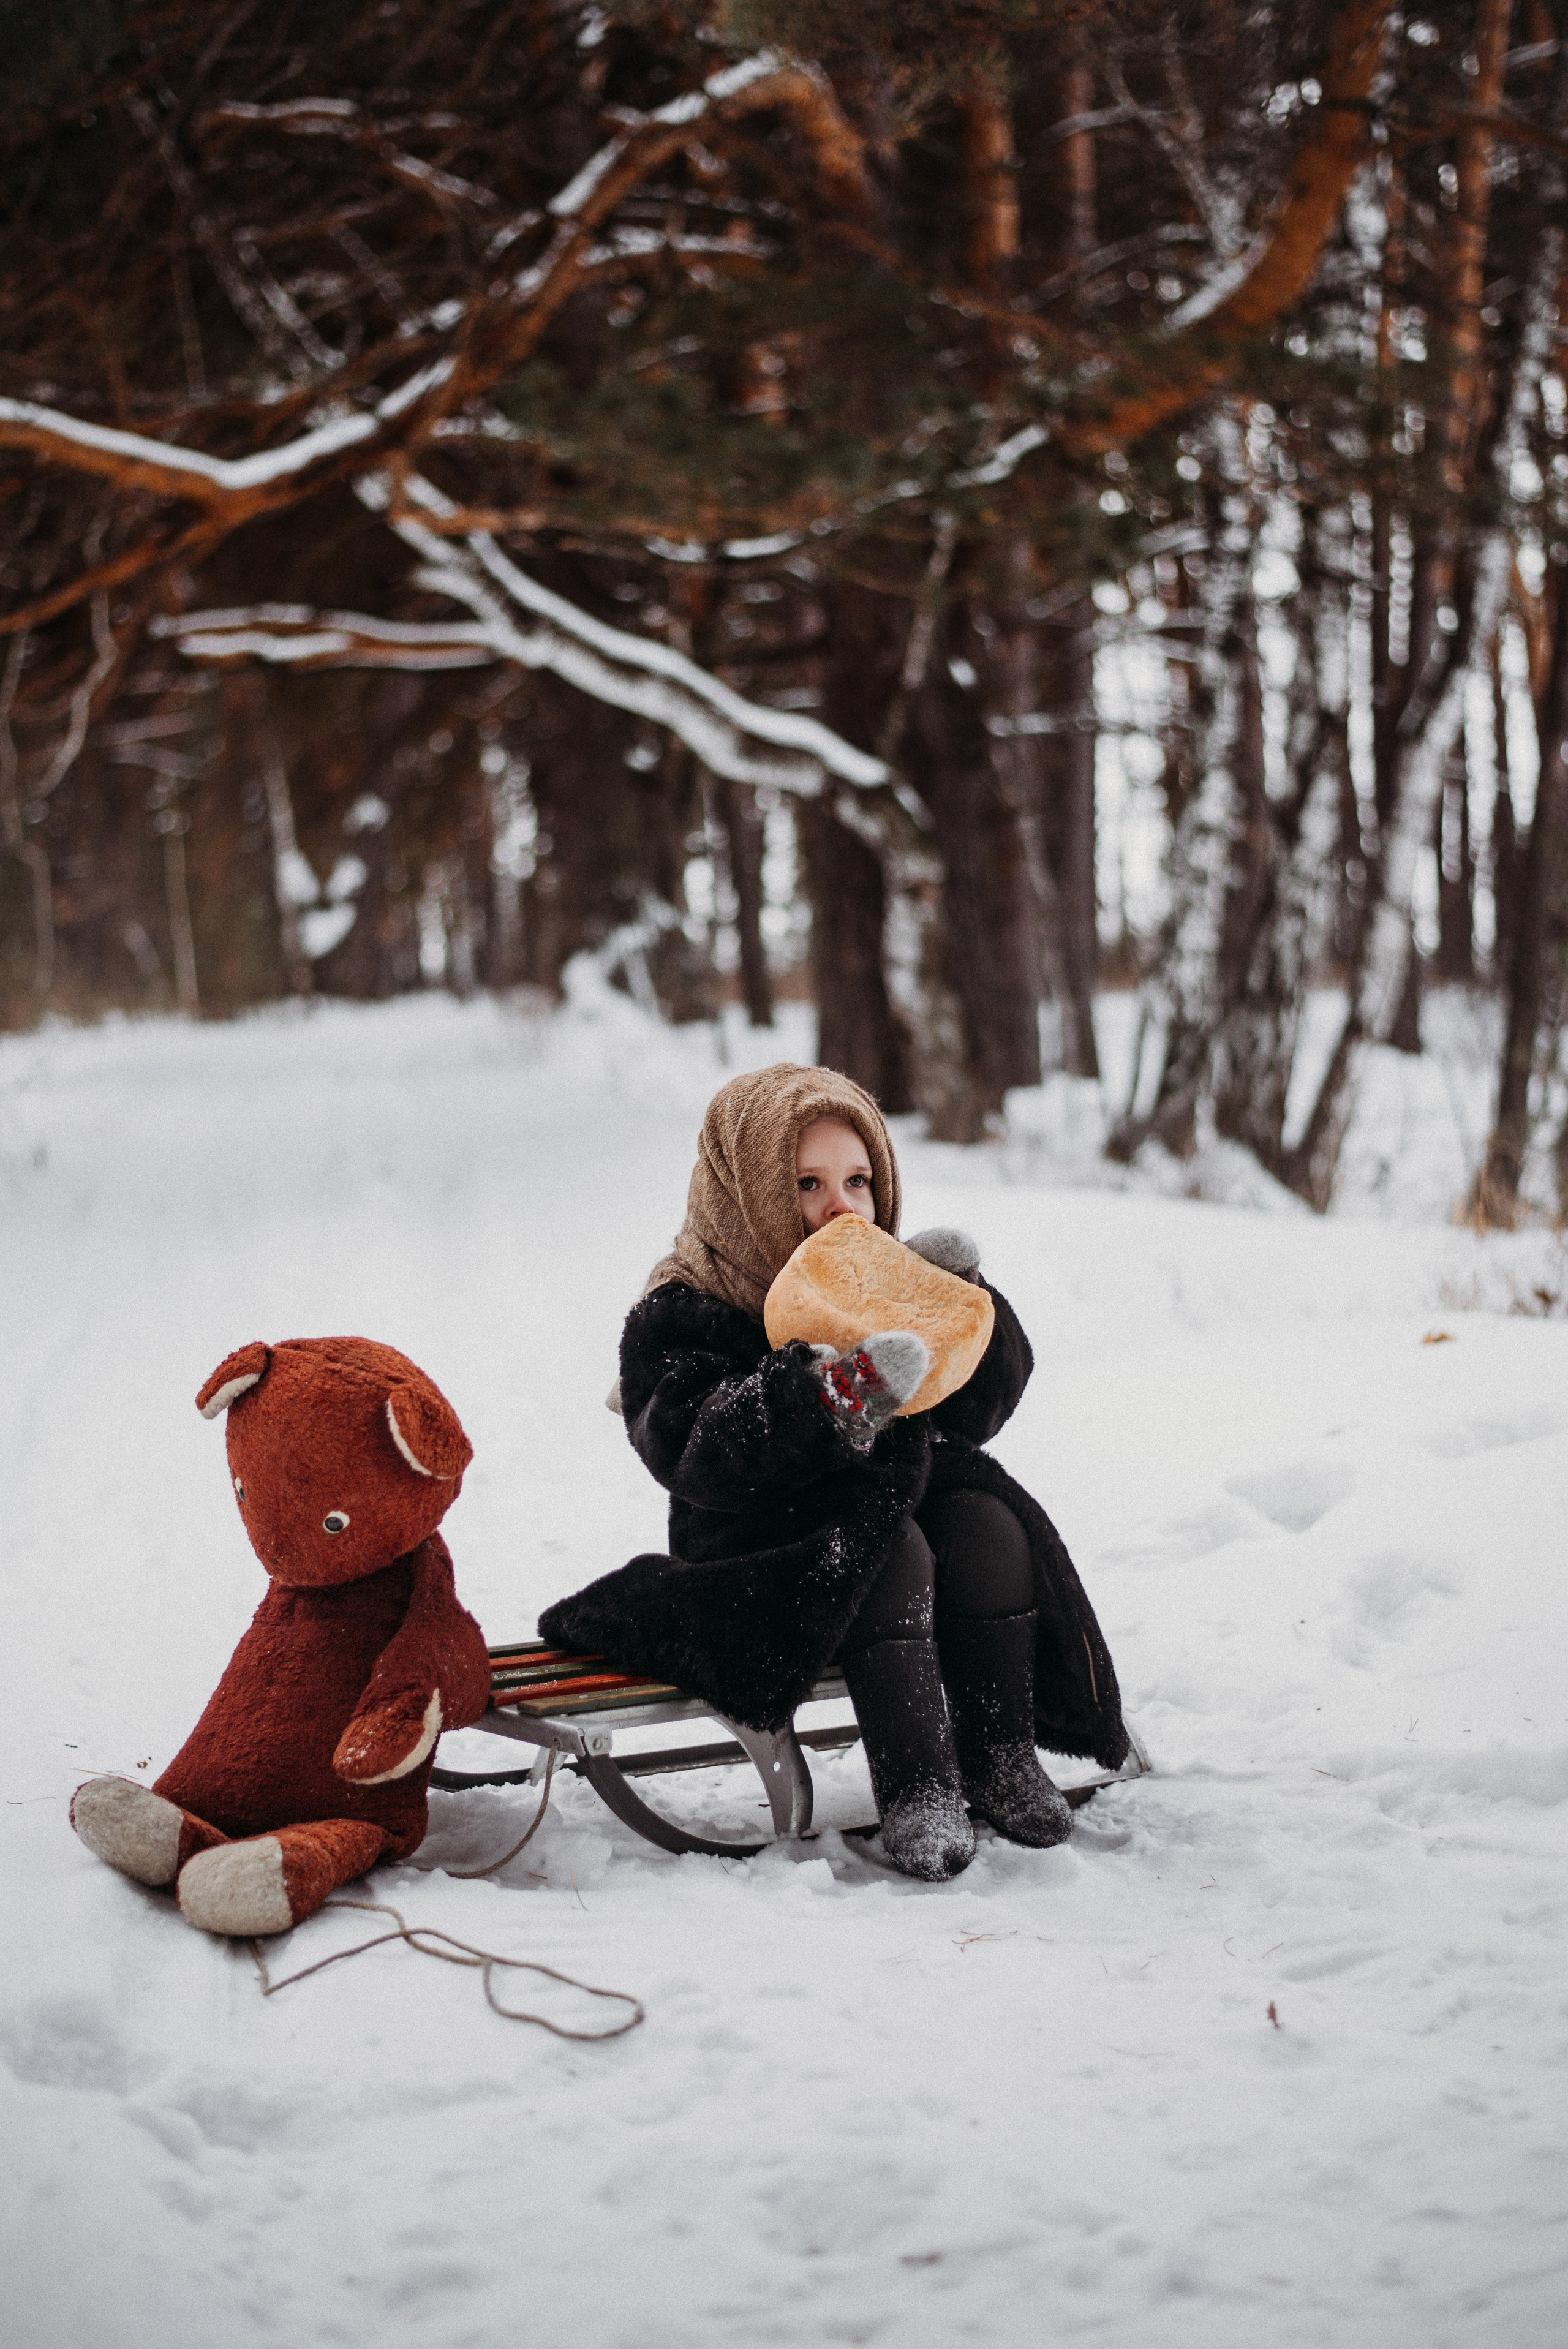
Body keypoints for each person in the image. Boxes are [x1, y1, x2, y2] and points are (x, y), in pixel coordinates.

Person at [541, 1063, 1128, 1882]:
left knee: (986, 1527)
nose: (840, 1206)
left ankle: (997, 1752)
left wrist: (961, 1309)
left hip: (890, 1508)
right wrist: (823, 1400)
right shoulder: (690, 1303)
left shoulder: (879, 1284)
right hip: (759, 1553)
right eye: (808, 1183)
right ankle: (917, 1785)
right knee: (893, 1554)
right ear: (745, 1190)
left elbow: (977, 1413)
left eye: (859, 1180)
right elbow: (690, 1445)